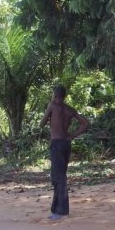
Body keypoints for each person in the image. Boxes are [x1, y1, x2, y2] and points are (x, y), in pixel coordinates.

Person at [40, 85, 90, 220]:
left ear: (54, 96)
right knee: (60, 176)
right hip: (66, 143)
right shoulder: (70, 109)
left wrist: (49, 118)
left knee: (59, 177)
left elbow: (42, 123)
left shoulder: (52, 105)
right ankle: (56, 208)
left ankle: (61, 211)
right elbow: (85, 123)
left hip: (56, 143)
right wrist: (73, 135)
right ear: (64, 96)